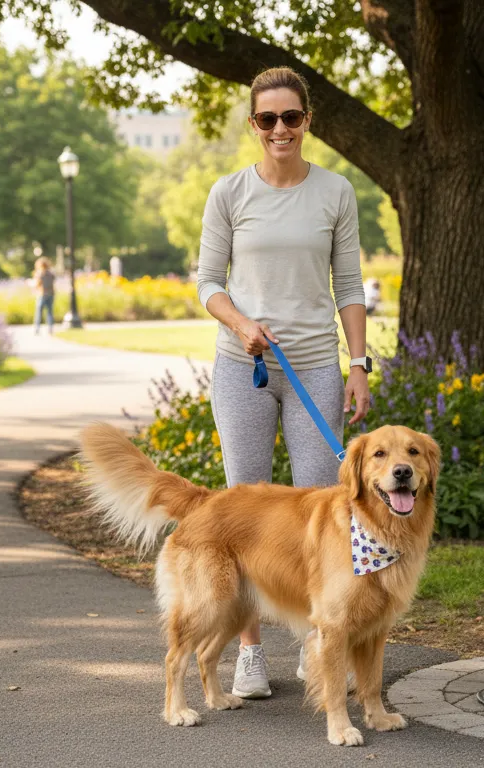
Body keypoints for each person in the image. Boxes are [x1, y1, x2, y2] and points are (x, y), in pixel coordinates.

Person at [195, 67, 369, 701]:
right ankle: (248, 653)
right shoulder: (230, 193)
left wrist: (358, 364)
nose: (279, 130)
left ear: (307, 121)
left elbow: (349, 288)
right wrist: (241, 324)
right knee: (244, 510)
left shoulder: (334, 193)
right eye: (267, 119)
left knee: (320, 511)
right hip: (246, 366)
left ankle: (316, 643)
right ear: (253, 124)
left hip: (317, 366)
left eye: (290, 118)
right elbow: (207, 282)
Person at [30, 257, 55, 335]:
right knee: (49, 312)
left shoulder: (40, 274)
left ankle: (37, 329)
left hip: (42, 294)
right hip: (51, 294)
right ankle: (50, 328)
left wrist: (30, 283)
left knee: (39, 312)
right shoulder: (51, 274)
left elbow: (37, 284)